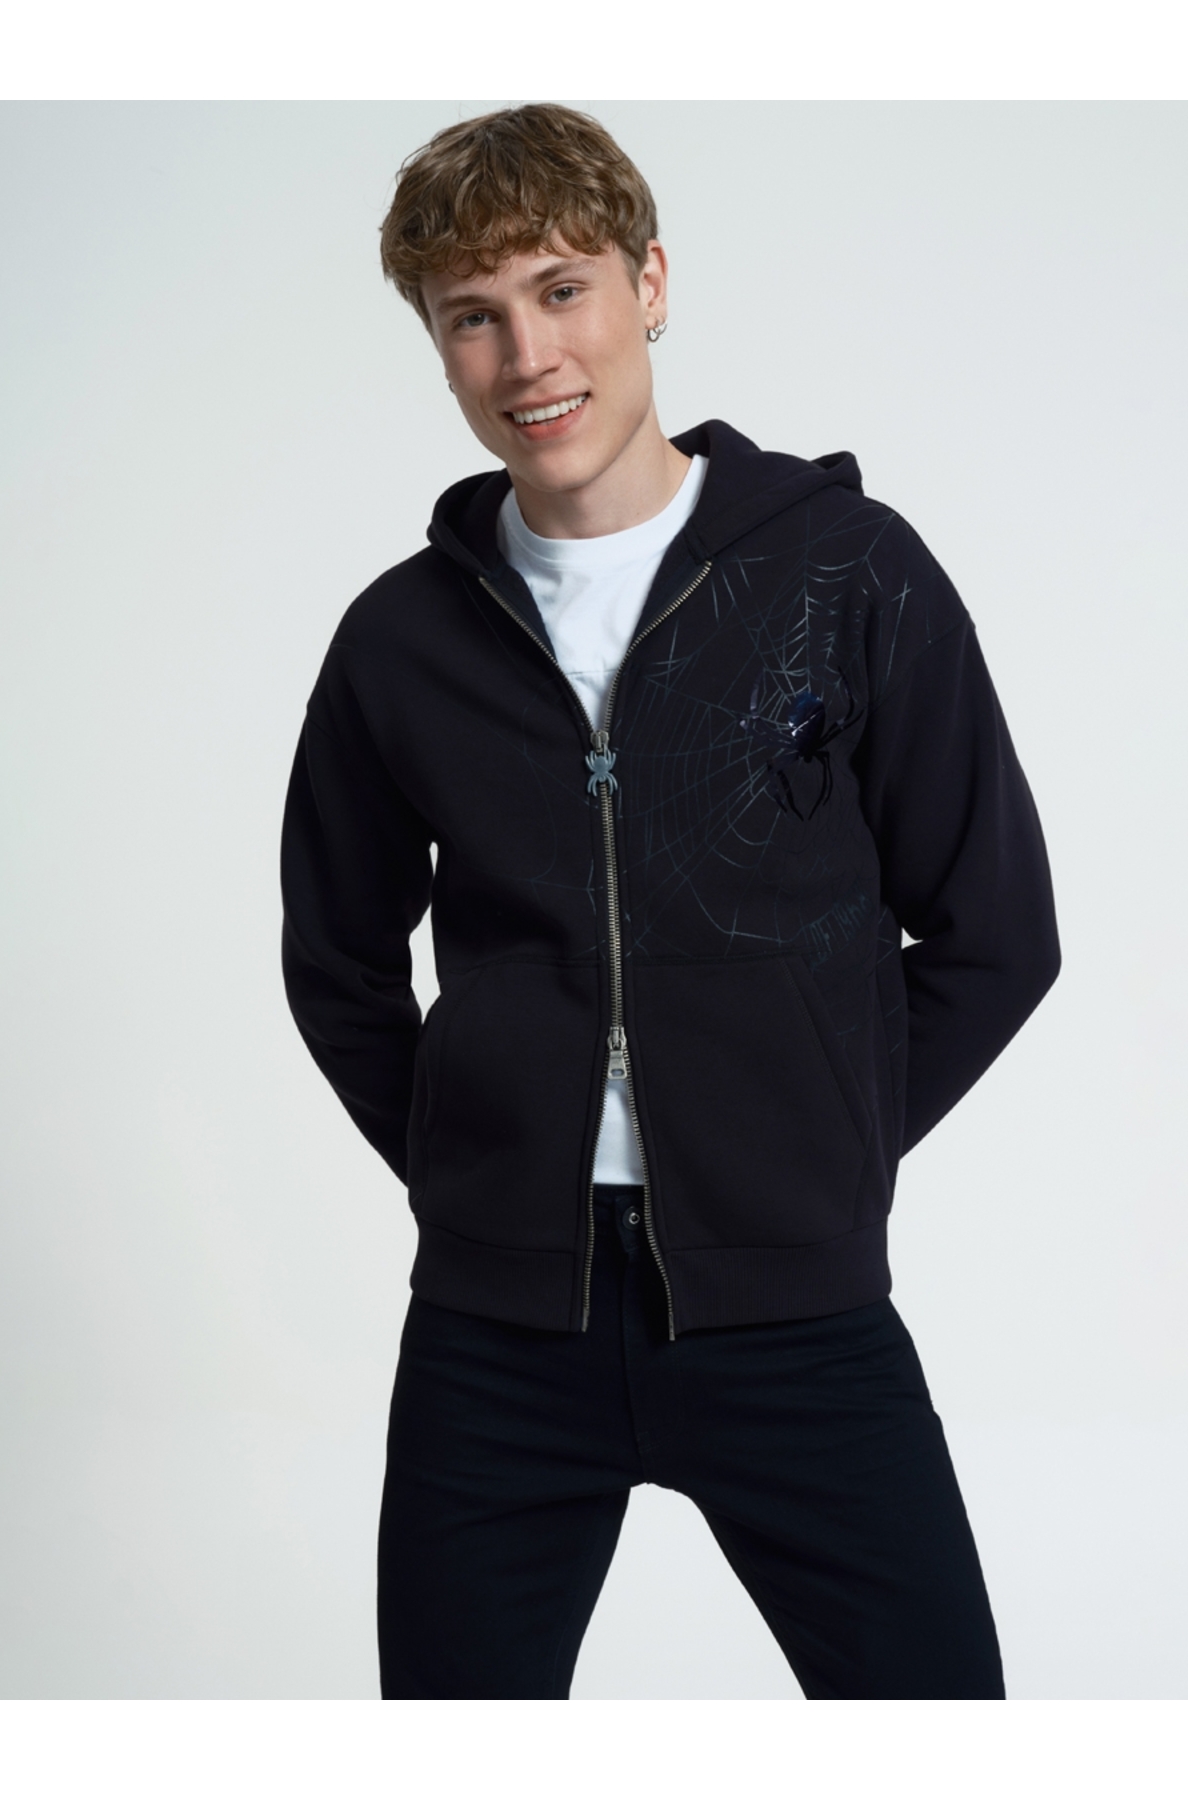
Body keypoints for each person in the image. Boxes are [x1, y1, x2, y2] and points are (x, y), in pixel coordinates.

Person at [280, 103, 1060, 1700]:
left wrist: (811, 1148)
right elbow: (336, 958)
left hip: (794, 1318)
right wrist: (475, 1163)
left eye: (561, 290)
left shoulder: (847, 574)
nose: (527, 356)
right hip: (500, 1335)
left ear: (648, 282)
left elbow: (996, 933)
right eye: (473, 317)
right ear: (438, 346)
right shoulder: (400, 643)